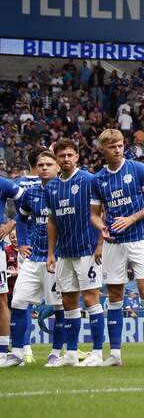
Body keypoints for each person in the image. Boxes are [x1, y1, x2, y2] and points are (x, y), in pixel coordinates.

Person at [90, 129, 144, 366]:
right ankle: (115, 354)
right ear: (103, 149)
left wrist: (131, 219)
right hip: (113, 243)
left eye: (120, 145)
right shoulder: (98, 179)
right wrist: (102, 227)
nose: (118, 150)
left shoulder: (138, 169)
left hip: (140, 238)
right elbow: (94, 214)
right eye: (112, 147)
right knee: (114, 296)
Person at [43, 138, 105, 367]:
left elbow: (102, 212)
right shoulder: (51, 187)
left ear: (77, 156)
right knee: (68, 302)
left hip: (87, 250)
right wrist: (51, 253)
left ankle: (97, 353)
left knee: (90, 299)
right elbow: (52, 221)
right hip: (64, 252)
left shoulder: (89, 180)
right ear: (56, 160)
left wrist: (100, 244)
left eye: (70, 155)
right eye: (62, 156)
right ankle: (70, 354)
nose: (66, 159)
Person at [2, 151, 64, 367]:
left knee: (58, 307)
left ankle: (56, 353)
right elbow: (22, 216)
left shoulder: (65, 192)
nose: (44, 168)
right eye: (41, 165)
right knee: (18, 302)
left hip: (57, 260)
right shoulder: (32, 193)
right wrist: (22, 243)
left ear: (57, 167)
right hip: (33, 257)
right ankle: (17, 354)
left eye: (49, 164)